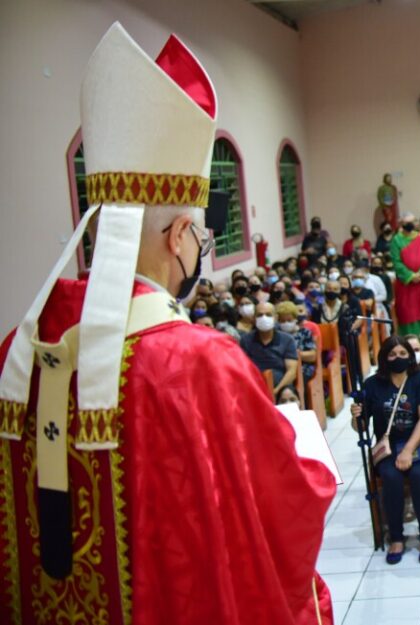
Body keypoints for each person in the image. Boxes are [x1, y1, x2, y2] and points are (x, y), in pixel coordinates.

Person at [0, 24, 334, 623]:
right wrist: (310, 457)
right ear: (181, 235)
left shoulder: (16, 352)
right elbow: (289, 504)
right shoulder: (197, 363)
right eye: (200, 237)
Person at [351, 336, 420, 565]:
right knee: (391, 477)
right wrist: (356, 416)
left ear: (410, 356)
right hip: (388, 445)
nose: (397, 358)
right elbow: (360, 426)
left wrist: (409, 450)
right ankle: (396, 537)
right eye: (392, 354)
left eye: (402, 353)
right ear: (384, 357)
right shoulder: (373, 384)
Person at [241, 302, 299, 398]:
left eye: (268, 314)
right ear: (254, 318)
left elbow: (291, 371)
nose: (264, 318)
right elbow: (243, 370)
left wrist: (276, 391)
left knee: (287, 395)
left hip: (281, 388)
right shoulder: (246, 340)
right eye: (260, 315)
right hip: (254, 388)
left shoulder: (287, 339)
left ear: (275, 318)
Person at [277, 301, 317, 384]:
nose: (286, 323)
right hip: (281, 368)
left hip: (303, 368)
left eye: (289, 320)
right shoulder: (277, 335)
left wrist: (296, 354)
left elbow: (313, 356)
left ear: (295, 319)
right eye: (282, 321)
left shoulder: (305, 333)